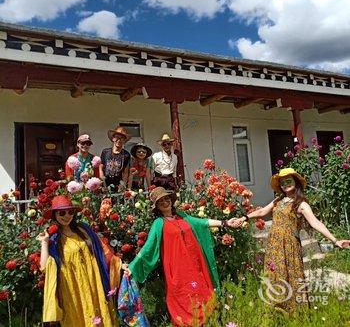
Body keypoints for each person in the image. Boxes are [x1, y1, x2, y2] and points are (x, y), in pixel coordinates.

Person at [233, 168, 350, 311]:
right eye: (282, 183)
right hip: (274, 244)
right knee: (275, 274)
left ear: (296, 182)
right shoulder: (279, 200)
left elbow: (315, 223)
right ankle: (276, 309)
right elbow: (263, 212)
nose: (285, 184)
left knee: (291, 275)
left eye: (288, 181)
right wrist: (244, 218)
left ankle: (294, 311)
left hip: (289, 245)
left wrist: (335, 240)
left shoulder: (301, 204)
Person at [124, 187, 240, 326]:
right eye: (161, 201)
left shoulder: (182, 216)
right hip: (177, 268)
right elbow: (148, 247)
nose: (165, 202)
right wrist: (132, 266)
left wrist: (225, 222)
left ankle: (207, 320)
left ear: (171, 200)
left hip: (195, 264)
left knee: (201, 291)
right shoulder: (159, 223)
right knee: (183, 293)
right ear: (157, 207)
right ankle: (188, 322)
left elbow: (202, 222)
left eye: (166, 199)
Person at [37, 195, 123, 326]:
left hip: (93, 282)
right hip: (71, 289)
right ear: (55, 215)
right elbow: (44, 267)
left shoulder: (83, 229)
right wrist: (44, 242)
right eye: (62, 213)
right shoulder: (54, 239)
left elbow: (103, 251)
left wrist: (121, 265)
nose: (67, 216)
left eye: (70, 212)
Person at [100, 126, 131, 191]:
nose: (119, 140)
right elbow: (101, 167)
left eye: (122, 138)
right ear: (113, 138)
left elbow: (125, 172)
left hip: (118, 185)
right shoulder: (105, 152)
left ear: (124, 141)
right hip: (105, 185)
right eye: (117, 137)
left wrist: (123, 185)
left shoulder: (126, 154)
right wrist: (102, 181)